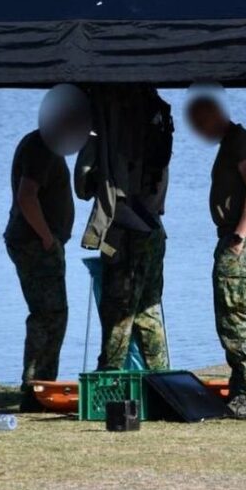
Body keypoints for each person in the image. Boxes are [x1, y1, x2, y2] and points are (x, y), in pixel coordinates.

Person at [186, 83, 246, 419]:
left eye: (200, 121)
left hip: (243, 242)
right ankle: (242, 388)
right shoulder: (232, 143)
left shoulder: (241, 142)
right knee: (230, 318)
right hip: (238, 238)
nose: (199, 130)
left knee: (236, 319)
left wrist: (238, 236)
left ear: (214, 115)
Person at [75, 86, 173, 371]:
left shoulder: (105, 117)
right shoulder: (159, 115)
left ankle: (110, 377)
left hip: (124, 227)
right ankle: (160, 379)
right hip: (154, 225)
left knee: (118, 311)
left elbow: (82, 182)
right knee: (148, 310)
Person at [5, 84, 90, 412]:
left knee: (50, 314)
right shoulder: (42, 146)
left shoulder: (39, 142)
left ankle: (39, 384)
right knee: (49, 316)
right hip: (35, 244)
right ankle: (36, 388)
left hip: (34, 241)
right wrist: (46, 238)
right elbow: (27, 196)